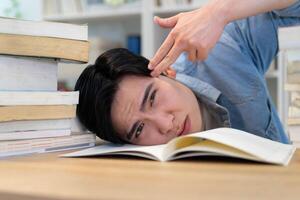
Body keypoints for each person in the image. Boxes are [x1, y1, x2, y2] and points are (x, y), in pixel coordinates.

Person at [75, 0, 300, 145]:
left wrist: (218, 11)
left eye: (152, 98)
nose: (165, 125)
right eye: (139, 129)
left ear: (167, 71)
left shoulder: (221, 51)